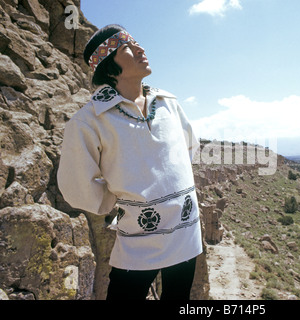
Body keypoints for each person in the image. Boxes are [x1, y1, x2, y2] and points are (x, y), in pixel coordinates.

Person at [57, 24, 202, 300]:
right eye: (126, 48)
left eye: (137, 43)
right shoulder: (89, 121)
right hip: (138, 244)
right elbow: (77, 185)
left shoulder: (168, 103)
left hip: (185, 237)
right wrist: (114, 199)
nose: (140, 49)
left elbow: (188, 149)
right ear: (108, 67)